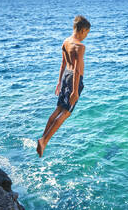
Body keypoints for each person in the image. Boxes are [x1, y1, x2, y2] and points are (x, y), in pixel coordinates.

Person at [37, 15, 91, 158]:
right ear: (83, 30)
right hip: (74, 80)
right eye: (87, 33)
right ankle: (44, 141)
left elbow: (63, 64)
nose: (86, 36)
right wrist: (75, 91)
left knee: (58, 109)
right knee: (66, 112)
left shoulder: (66, 41)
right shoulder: (80, 46)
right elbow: (77, 70)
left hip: (66, 76)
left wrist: (59, 82)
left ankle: (43, 137)